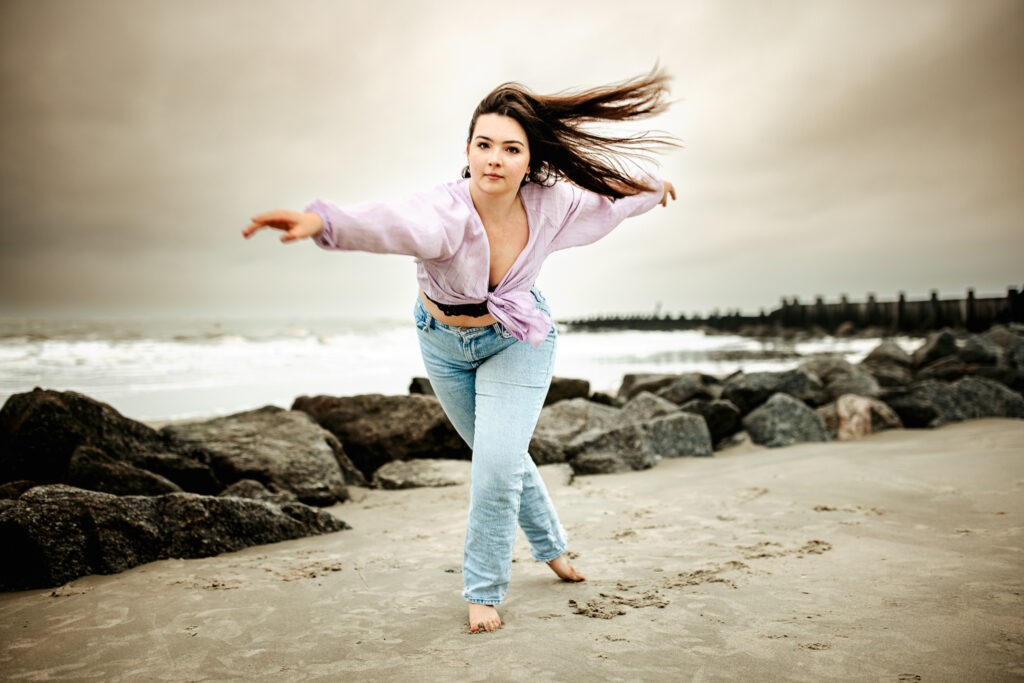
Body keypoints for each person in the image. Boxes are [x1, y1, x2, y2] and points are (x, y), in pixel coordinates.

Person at [243, 68, 678, 633]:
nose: (494, 158)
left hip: (517, 337)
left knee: (495, 465)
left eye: (510, 148)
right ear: (468, 150)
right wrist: (324, 221)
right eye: (483, 144)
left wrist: (650, 188)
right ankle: (553, 547)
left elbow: (608, 202)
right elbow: (389, 223)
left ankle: (483, 589)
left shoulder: (551, 205)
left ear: (530, 160)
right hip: (443, 343)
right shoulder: (444, 213)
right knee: (503, 456)